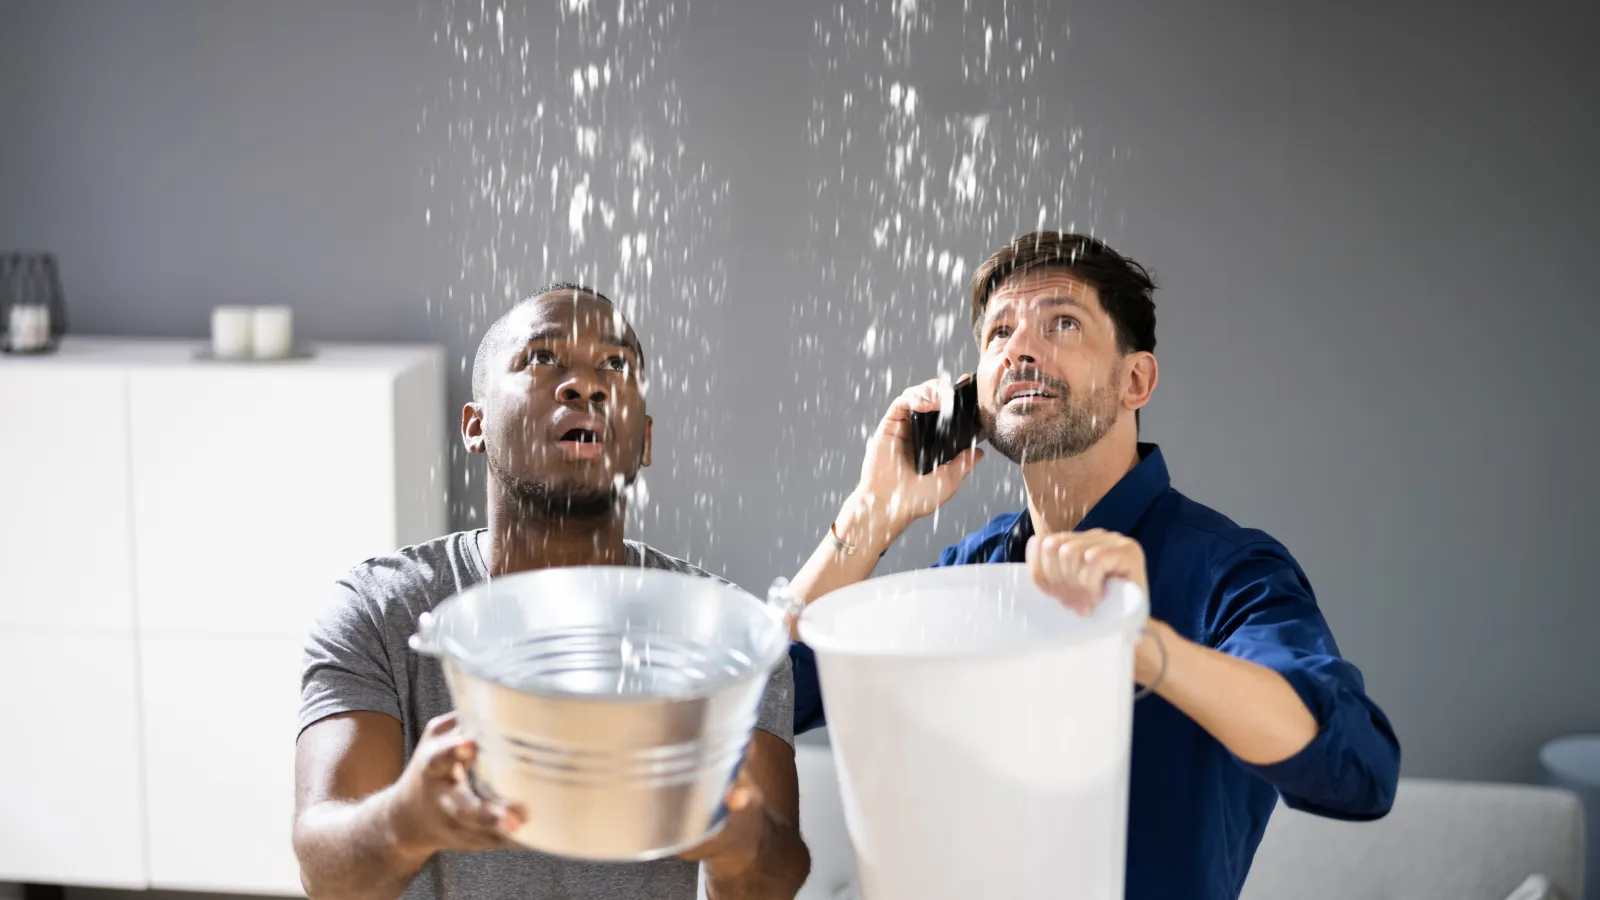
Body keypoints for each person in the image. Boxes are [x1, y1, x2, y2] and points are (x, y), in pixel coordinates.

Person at [784, 232, 1401, 900]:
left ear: (1136, 380)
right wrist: (873, 510)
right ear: (975, 394)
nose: (1019, 348)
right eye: (998, 334)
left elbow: (1359, 772)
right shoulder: (969, 571)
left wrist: (1142, 645)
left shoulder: (1230, 572)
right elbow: (769, 699)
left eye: (1063, 323)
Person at [292, 285, 809, 900]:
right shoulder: (382, 608)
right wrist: (407, 818)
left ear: (643, 439)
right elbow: (325, 873)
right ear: (475, 424)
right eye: (542, 359)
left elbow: (773, 881)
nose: (584, 385)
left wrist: (737, 835)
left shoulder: (720, 632)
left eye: (614, 366)